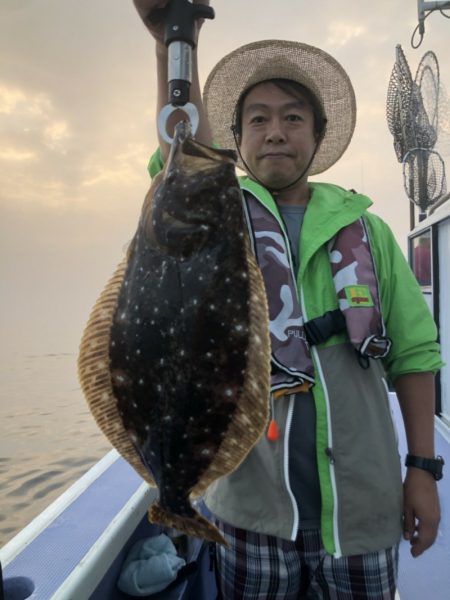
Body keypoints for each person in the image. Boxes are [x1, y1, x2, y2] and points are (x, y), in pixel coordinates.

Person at [133, 2, 444, 598]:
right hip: (252, 511)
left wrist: (423, 471)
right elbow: (180, 146)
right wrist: (174, 44)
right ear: (237, 139)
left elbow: (415, 354)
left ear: (318, 136)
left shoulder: (369, 232)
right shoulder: (215, 215)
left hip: (361, 510)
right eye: (258, 120)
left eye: (294, 117)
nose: (276, 131)